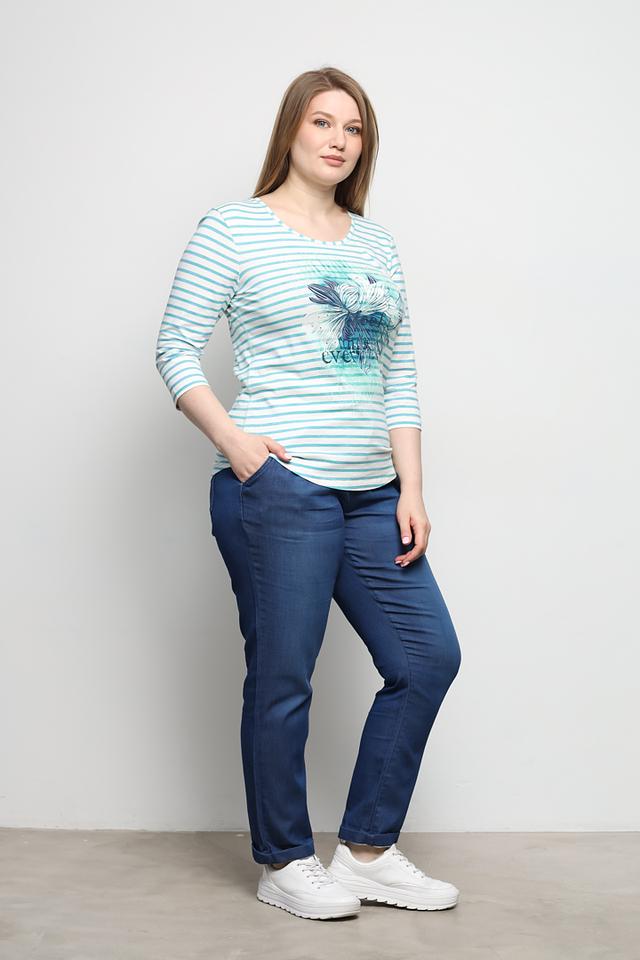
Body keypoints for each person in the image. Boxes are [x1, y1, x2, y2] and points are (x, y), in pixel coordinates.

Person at [155, 66, 462, 921]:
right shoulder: (233, 228)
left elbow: (398, 372)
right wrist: (237, 446)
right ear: (290, 129)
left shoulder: (376, 243)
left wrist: (411, 487)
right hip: (280, 489)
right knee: (284, 677)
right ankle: (284, 860)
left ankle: (366, 851)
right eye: (322, 121)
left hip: (372, 494)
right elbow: (174, 347)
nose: (338, 139)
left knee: (427, 658)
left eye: (353, 128)